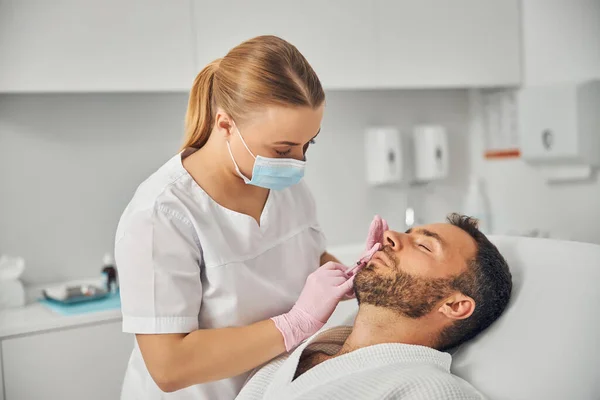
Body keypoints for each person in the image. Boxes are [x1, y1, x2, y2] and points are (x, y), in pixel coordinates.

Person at [114, 35, 381, 399]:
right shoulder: (162, 213)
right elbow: (169, 366)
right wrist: (294, 324)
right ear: (225, 124)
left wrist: (357, 276)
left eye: (308, 144)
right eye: (283, 148)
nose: (298, 161)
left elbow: (306, 257)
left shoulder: (288, 186)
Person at [236, 214, 513, 400]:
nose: (390, 236)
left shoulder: (434, 391)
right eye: (406, 233)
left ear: (454, 305)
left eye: (424, 246)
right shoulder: (296, 357)